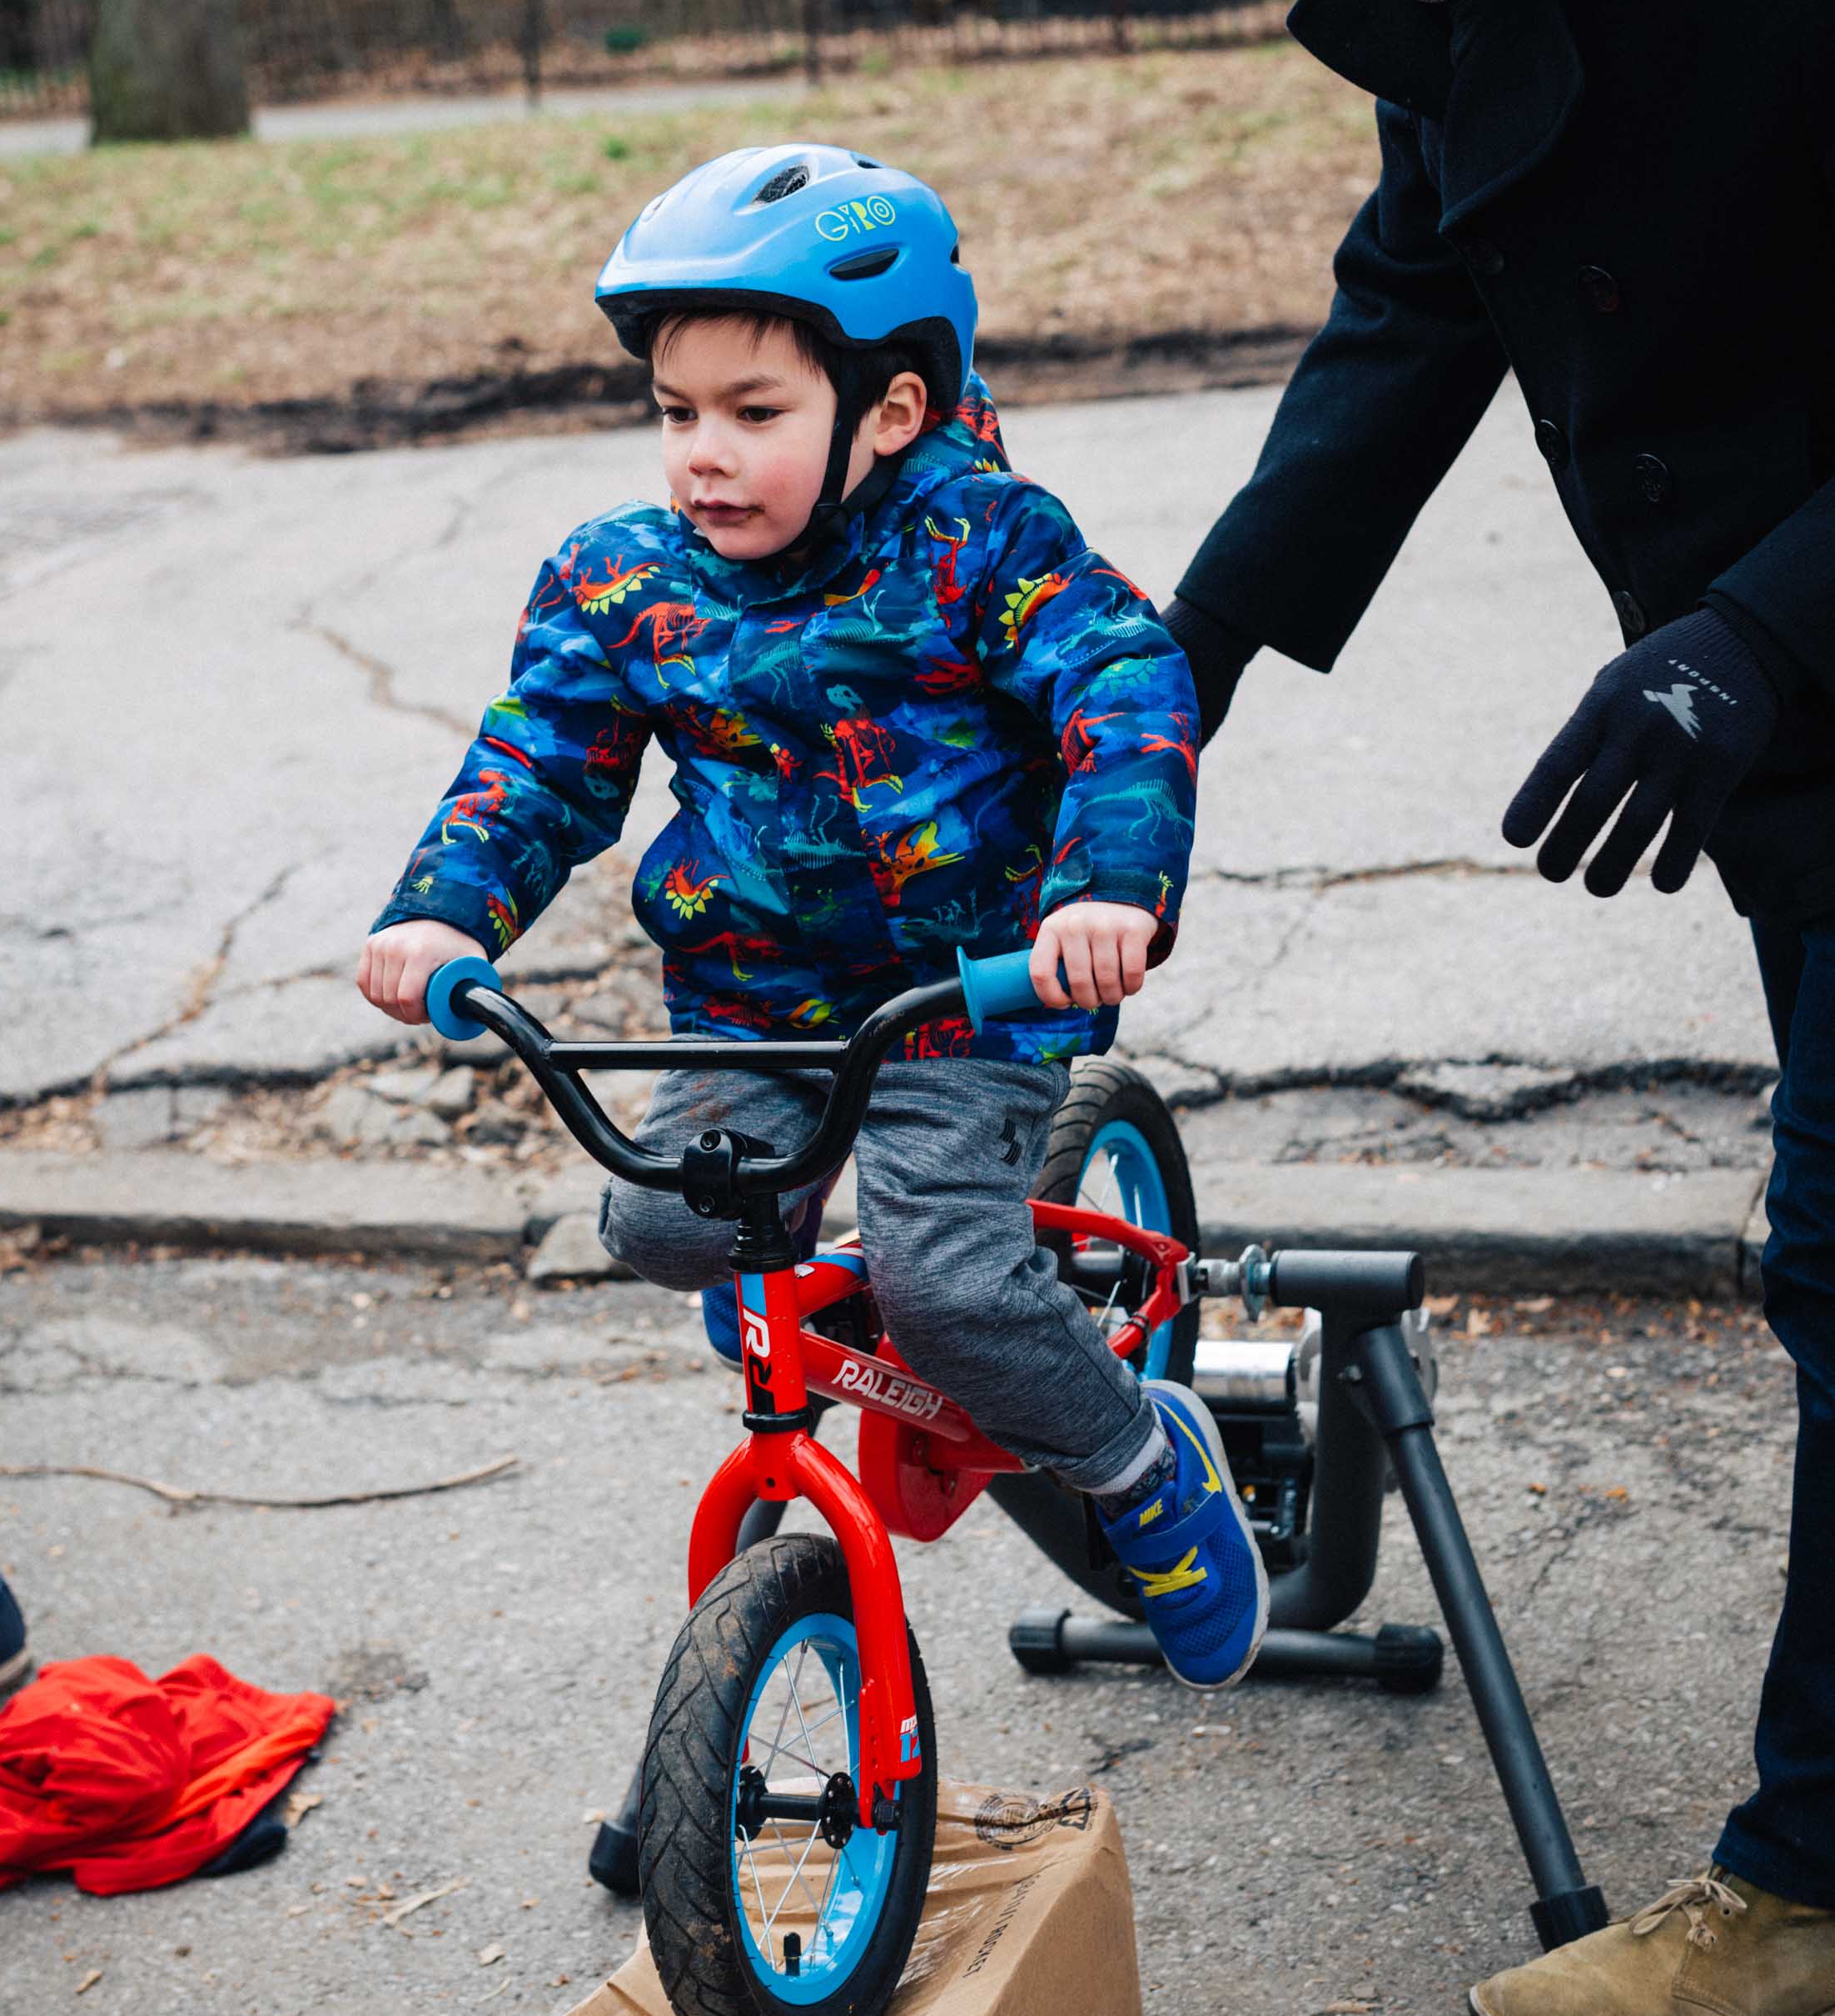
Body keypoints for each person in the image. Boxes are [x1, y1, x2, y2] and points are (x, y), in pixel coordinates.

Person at [1163, 0, 1835, 2016]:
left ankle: (1805, 1870)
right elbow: (1406, 310)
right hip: (1774, 716)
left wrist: (1753, 634)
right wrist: (1171, 663)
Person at [356, 142, 1268, 1690]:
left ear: (891, 410)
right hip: (759, 995)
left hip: (965, 993)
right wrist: (446, 915)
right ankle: (838, 1312)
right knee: (658, 1220)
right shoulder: (622, 579)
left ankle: (1142, 1467)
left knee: (954, 1283)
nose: (702, 454)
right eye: (675, 411)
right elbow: (538, 761)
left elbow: (1125, 684)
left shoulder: (984, 542)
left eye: (754, 414)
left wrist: (1107, 888)